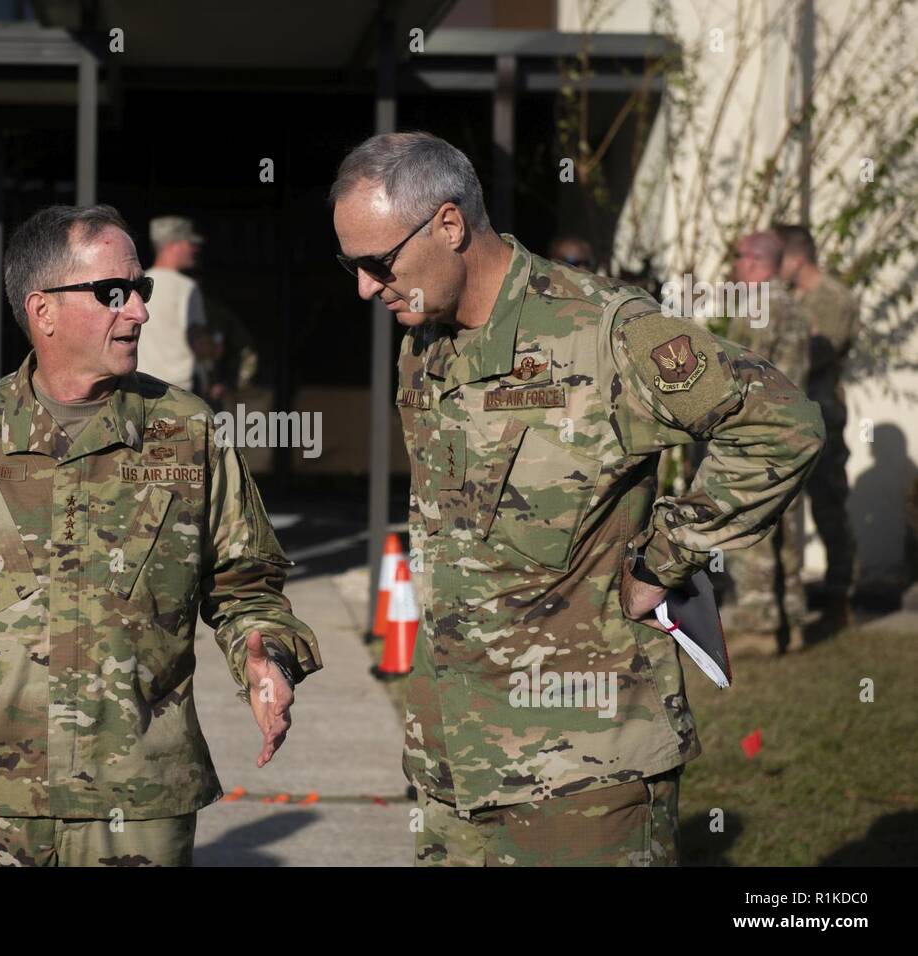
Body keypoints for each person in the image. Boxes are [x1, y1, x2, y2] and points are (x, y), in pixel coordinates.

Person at [330, 132, 823, 866]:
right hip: (453, 766)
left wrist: (667, 558)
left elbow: (781, 422)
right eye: (351, 265)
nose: (365, 288)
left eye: (376, 263)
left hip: (585, 777)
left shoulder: (603, 331)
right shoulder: (423, 345)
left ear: (449, 225)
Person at [0, 204, 321, 867]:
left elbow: (248, 590)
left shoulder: (189, 434)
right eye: (113, 293)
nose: (139, 312)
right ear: (43, 312)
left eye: (140, 291)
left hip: (137, 807)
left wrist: (265, 659)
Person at [724, 231, 813, 656]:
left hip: (760, 433)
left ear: (757, 261)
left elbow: (741, 373)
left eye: (739, 257)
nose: (735, 265)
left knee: (751, 522)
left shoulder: (759, 306)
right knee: (789, 525)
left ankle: (760, 627)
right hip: (795, 431)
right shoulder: (794, 306)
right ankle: (792, 621)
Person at [774, 223, 860, 631]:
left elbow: (820, 351)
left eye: (780, 259)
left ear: (797, 259)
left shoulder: (833, 298)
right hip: (791, 415)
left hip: (822, 414)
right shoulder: (789, 299)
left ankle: (838, 599)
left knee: (828, 506)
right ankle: (787, 602)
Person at [136, 215, 212, 394]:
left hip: (140, 386)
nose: (195, 249)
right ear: (173, 245)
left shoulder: (139, 282)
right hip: (178, 391)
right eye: (190, 243)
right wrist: (213, 349)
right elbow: (198, 342)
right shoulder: (186, 287)